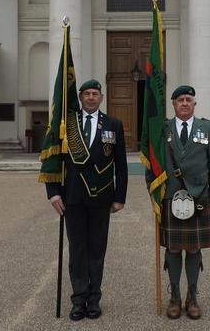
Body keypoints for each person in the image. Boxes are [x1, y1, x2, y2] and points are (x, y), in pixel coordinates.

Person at [45, 79, 128, 321]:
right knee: (78, 250)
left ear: (101, 97)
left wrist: (120, 197)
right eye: (87, 94)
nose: (91, 98)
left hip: (102, 198)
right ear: (80, 97)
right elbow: (54, 159)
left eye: (96, 94)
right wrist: (53, 192)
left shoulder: (113, 124)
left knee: (97, 250)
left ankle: (94, 299)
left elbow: (121, 165)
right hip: (73, 197)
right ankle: (78, 299)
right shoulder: (66, 124)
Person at [148, 85, 210, 320]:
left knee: (193, 248)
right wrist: (153, 192)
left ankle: (192, 297)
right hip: (170, 196)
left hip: (198, 197)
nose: (185, 103)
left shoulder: (207, 127)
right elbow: (152, 161)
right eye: (180, 99)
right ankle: (175, 297)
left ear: (195, 104)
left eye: (189, 99)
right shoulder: (163, 128)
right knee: (173, 248)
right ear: (173, 104)